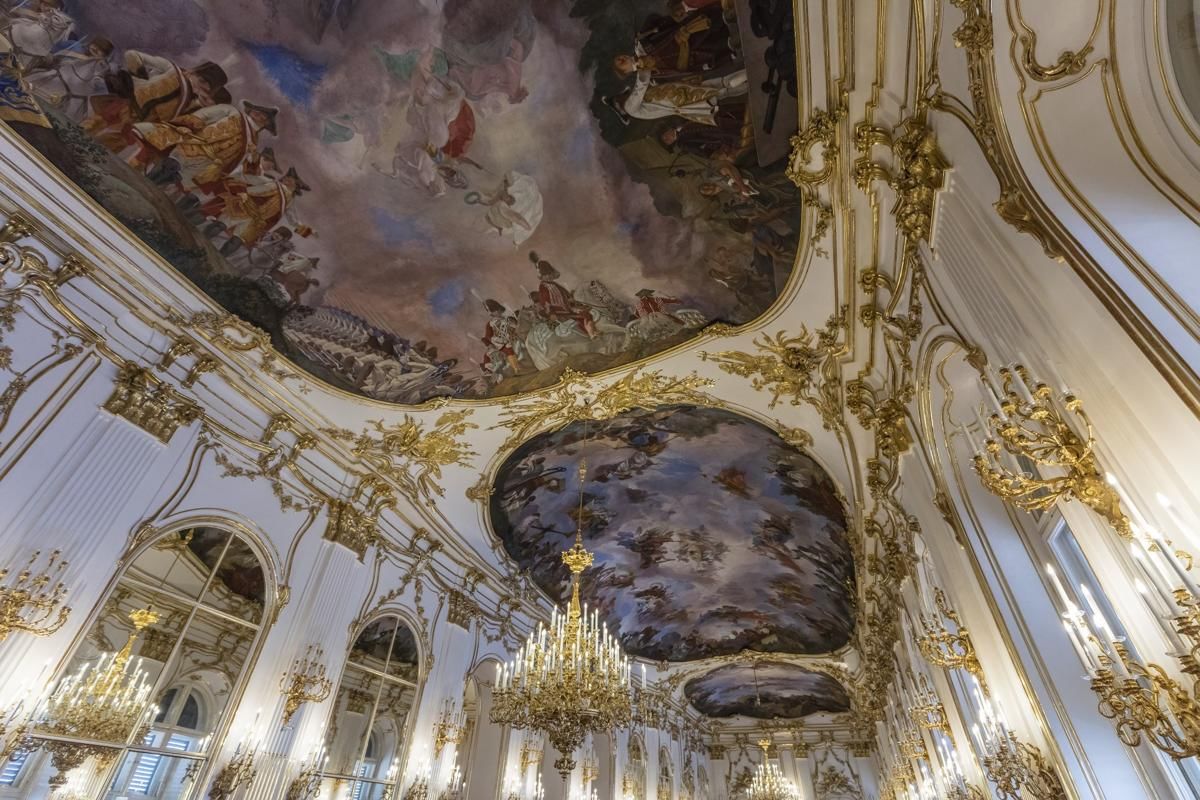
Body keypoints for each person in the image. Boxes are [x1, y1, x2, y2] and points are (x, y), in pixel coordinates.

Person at [84, 50, 229, 152]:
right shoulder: (169, 68)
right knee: (90, 126)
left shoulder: (193, 103)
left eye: (206, 86)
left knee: (106, 148)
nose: (200, 86)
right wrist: (142, 79)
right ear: (192, 72)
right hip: (127, 105)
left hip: (137, 125)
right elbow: (132, 55)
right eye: (201, 80)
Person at [129, 100, 278, 193]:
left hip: (210, 164)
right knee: (170, 165)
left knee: (176, 178)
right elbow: (203, 115)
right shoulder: (231, 112)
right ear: (251, 111)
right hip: (197, 145)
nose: (259, 117)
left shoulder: (254, 141)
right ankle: (140, 185)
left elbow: (242, 160)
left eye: (263, 118)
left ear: (265, 125)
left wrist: (252, 157)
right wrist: (187, 125)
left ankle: (147, 191)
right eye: (258, 113)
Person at [201, 167, 310, 257]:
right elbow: (293, 220)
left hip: (247, 212)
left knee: (225, 229)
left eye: (289, 180)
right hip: (253, 218)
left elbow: (258, 191)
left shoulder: (283, 194)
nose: (285, 179)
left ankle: (200, 244)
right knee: (236, 239)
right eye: (287, 178)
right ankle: (214, 256)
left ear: (294, 187)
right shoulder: (285, 196)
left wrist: (242, 192)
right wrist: (307, 232)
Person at [24, 35, 112, 122]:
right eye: (96, 45)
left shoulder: (100, 68)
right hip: (54, 73)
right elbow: (54, 54)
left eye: (101, 50)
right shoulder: (74, 46)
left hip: (74, 94)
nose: (96, 49)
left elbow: (99, 89)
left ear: (104, 55)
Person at [622, 67, 746, 124]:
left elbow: (652, 93)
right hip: (684, 100)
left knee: (721, 86)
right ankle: (749, 76)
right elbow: (641, 84)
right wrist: (638, 66)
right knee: (721, 89)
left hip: (683, 94)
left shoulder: (637, 106)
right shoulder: (629, 107)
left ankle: (748, 76)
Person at [531, 253, 596, 338]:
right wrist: (551, 313)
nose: (549, 276)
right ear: (543, 276)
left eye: (549, 274)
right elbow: (545, 302)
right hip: (559, 312)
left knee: (587, 311)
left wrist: (571, 299)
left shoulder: (554, 284)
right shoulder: (543, 286)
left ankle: (594, 330)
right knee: (583, 316)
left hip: (567, 307)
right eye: (547, 274)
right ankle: (591, 335)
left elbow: (565, 294)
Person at [480, 298, 522, 379]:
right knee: (508, 348)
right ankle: (516, 369)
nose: (495, 313)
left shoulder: (508, 319)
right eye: (492, 311)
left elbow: (516, 327)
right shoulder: (490, 324)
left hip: (514, 338)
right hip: (501, 344)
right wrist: (499, 341)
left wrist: (515, 327)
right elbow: (488, 336)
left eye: (496, 310)